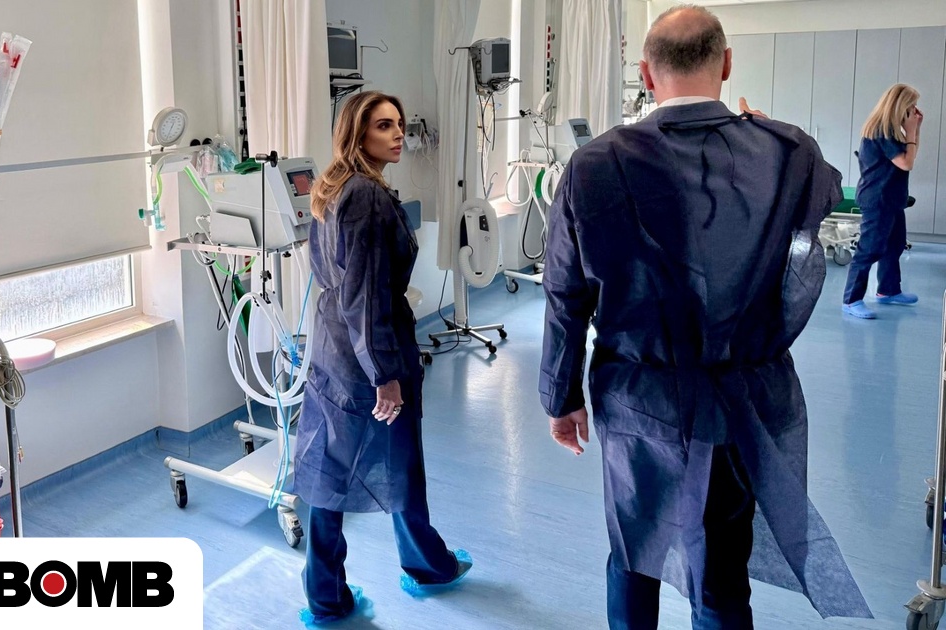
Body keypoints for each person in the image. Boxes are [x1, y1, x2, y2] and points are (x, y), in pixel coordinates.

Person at [539, 6, 871, 629]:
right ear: (726, 64)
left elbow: (565, 293)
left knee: (634, 551)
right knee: (721, 572)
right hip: (741, 402)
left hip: (639, 398)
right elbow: (825, 190)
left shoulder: (594, 165)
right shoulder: (787, 151)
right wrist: (770, 134)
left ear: (645, 74)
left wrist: (560, 396)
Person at [293, 90, 470, 625]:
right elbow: (366, 297)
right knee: (400, 460)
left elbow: (343, 288)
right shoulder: (367, 197)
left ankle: (325, 597)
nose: (398, 135)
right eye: (383, 126)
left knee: (329, 469)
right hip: (369, 351)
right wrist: (385, 375)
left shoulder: (331, 189)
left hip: (332, 347)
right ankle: (426, 567)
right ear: (357, 134)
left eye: (398, 124)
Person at [842, 83, 923, 319]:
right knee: (870, 250)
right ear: (900, 106)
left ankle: (888, 291)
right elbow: (906, 163)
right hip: (878, 199)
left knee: (894, 245)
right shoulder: (882, 132)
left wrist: (915, 130)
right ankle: (851, 300)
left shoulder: (894, 132)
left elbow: (909, 155)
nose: (914, 110)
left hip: (893, 198)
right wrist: (911, 132)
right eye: (911, 105)